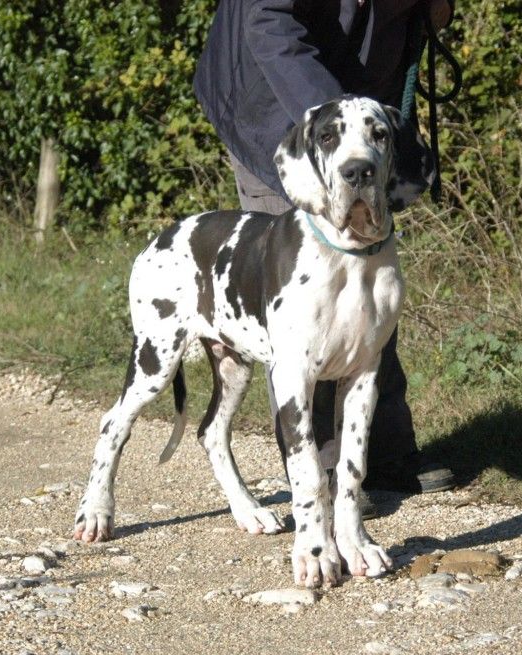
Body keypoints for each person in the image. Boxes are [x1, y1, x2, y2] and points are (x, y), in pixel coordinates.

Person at [193, 0, 455, 499]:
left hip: (359, 101)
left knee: (368, 286)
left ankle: (384, 453)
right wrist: (338, 131)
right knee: (303, 302)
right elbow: (269, 21)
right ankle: (322, 471)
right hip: (275, 98)